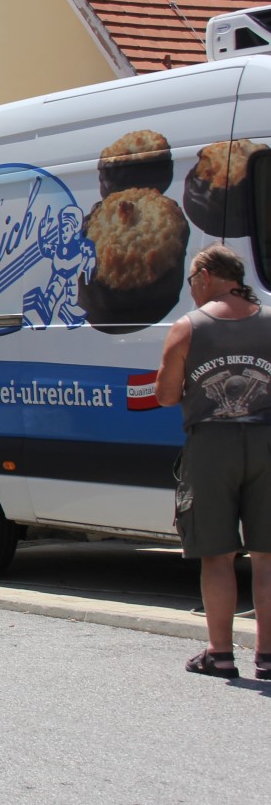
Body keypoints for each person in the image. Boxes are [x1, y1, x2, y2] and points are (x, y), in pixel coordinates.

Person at [155, 244, 271, 680]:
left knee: (217, 556)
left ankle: (220, 654)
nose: (192, 290)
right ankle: (268, 656)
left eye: (191, 282)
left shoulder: (187, 328)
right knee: (267, 557)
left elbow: (165, 395)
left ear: (204, 275)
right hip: (267, 441)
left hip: (211, 446)